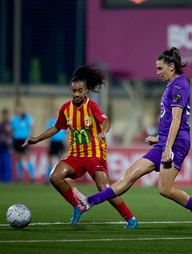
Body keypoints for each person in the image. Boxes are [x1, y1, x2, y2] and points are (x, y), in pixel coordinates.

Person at [74, 47, 192, 232]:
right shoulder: (171, 85)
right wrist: (159, 139)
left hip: (176, 143)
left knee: (165, 189)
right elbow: (169, 119)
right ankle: (89, 201)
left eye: (160, 68)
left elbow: (177, 119)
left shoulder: (180, 84)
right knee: (130, 173)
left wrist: (167, 147)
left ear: (171, 67)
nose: (157, 72)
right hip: (165, 142)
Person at [22, 64, 139, 228]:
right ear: (71, 91)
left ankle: (131, 219)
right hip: (75, 156)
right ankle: (77, 205)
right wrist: (37, 138)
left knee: (104, 188)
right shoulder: (65, 108)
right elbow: (57, 127)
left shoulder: (91, 106)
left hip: (94, 154)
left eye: (80, 91)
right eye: (74, 91)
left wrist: (103, 131)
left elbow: (106, 121)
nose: (77, 94)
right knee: (54, 177)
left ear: (86, 91)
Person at [11, 105, 35, 183]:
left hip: (25, 139)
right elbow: (11, 129)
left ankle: (32, 177)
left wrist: (31, 140)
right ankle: (20, 178)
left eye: (20, 109)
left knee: (28, 158)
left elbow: (31, 129)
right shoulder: (14, 119)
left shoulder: (28, 118)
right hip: (17, 139)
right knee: (18, 158)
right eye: (17, 109)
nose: (19, 111)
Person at [45, 110, 67, 184]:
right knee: (50, 159)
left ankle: (59, 177)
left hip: (60, 142)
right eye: (55, 113)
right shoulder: (50, 121)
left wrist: (66, 143)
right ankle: (48, 178)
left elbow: (66, 133)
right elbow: (47, 133)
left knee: (60, 160)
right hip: (53, 142)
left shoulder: (63, 121)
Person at [0, 109, 12, 182]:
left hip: (7, 148)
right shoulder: (1, 125)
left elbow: (12, 136)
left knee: (7, 166)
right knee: (1, 166)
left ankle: (8, 181)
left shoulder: (10, 125)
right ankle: (1, 180)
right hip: (1, 148)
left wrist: (11, 145)